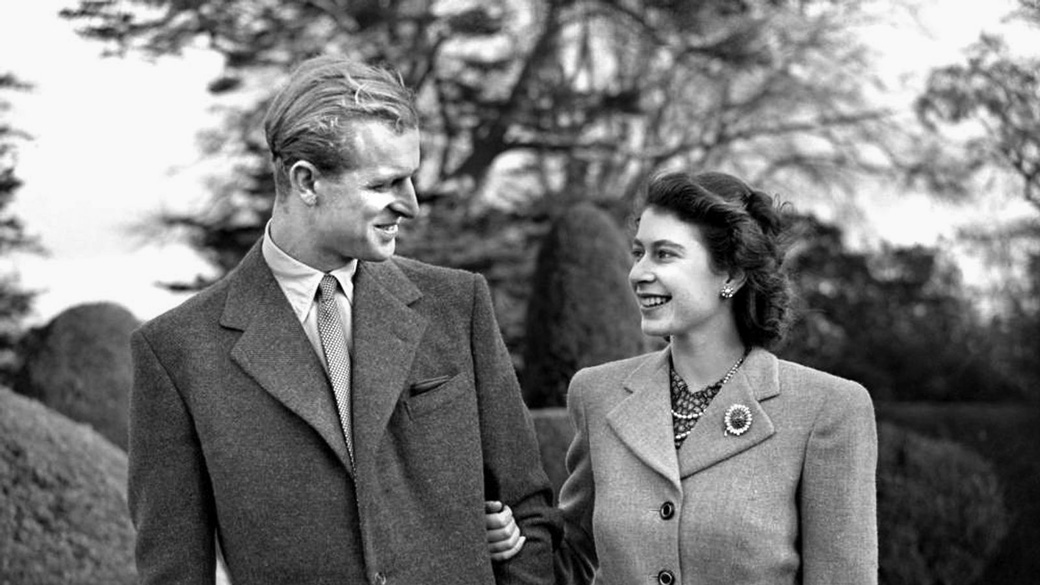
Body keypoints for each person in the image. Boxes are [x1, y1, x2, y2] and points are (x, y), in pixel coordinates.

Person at [128, 55, 558, 584]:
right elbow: (174, 572)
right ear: (306, 181)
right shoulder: (177, 351)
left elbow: (530, 514)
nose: (412, 205)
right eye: (385, 184)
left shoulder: (457, 304)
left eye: (411, 180)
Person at [492, 171, 878, 584]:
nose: (638, 273)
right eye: (638, 252)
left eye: (664, 254)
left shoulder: (827, 409)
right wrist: (513, 544)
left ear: (730, 274)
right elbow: (571, 562)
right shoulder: (597, 394)